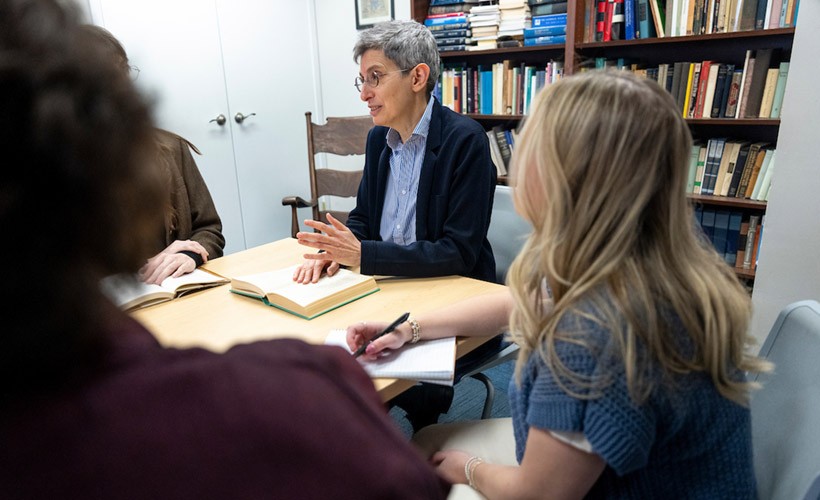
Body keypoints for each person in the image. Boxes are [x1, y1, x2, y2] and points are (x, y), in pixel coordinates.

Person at [0, 2, 447, 498]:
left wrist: (193, 248)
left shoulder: (456, 141)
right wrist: (347, 248)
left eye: (374, 78)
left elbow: (210, 230)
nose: (365, 93)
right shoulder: (303, 395)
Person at [345, 71, 770, 498]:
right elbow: (520, 301)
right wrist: (407, 329)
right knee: (425, 445)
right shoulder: (648, 265)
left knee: (430, 462)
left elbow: (540, 495)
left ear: (561, 177)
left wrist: (469, 469)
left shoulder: (589, 334)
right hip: (674, 478)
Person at [293, 20, 496, 284]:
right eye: (362, 81)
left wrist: (365, 255)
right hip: (385, 281)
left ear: (417, 78)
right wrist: (335, 250)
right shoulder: (378, 138)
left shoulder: (466, 141)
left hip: (448, 288)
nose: (364, 94)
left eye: (375, 78)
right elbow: (364, 219)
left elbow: (458, 252)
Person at [77, 25, 225, 286]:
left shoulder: (171, 147)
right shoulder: (59, 167)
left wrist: (189, 255)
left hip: (176, 293)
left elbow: (209, 229)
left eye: (121, 74)